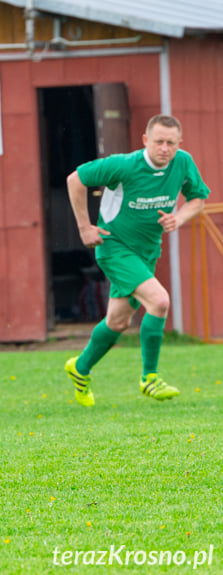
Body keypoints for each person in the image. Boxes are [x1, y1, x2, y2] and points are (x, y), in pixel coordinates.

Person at [64, 114, 209, 407]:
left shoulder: (183, 163)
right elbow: (75, 179)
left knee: (118, 322)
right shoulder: (124, 165)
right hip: (114, 247)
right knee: (159, 301)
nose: (165, 148)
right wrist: (84, 226)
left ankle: (80, 369)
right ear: (146, 140)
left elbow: (198, 199)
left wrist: (178, 217)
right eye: (159, 141)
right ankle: (150, 378)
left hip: (146, 252)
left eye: (171, 142)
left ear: (179, 143)